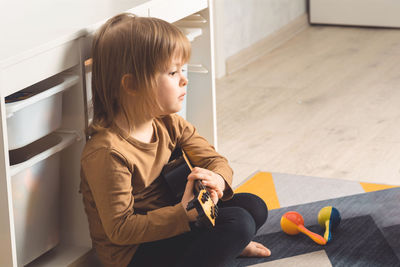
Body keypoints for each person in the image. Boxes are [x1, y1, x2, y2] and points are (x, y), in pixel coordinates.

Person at [80, 13, 271, 267]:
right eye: (172, 72)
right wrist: (183, 215)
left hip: (175, 217)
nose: (184, 79)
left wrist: (218, 180)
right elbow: (121, 229)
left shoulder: (169, 123)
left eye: (182, 69)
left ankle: (221, 246)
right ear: (132, 85)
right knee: (240, 223)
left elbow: (214, 160)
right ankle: (220, 246)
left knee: (254, 206)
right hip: (134, 252)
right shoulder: (107, 152)